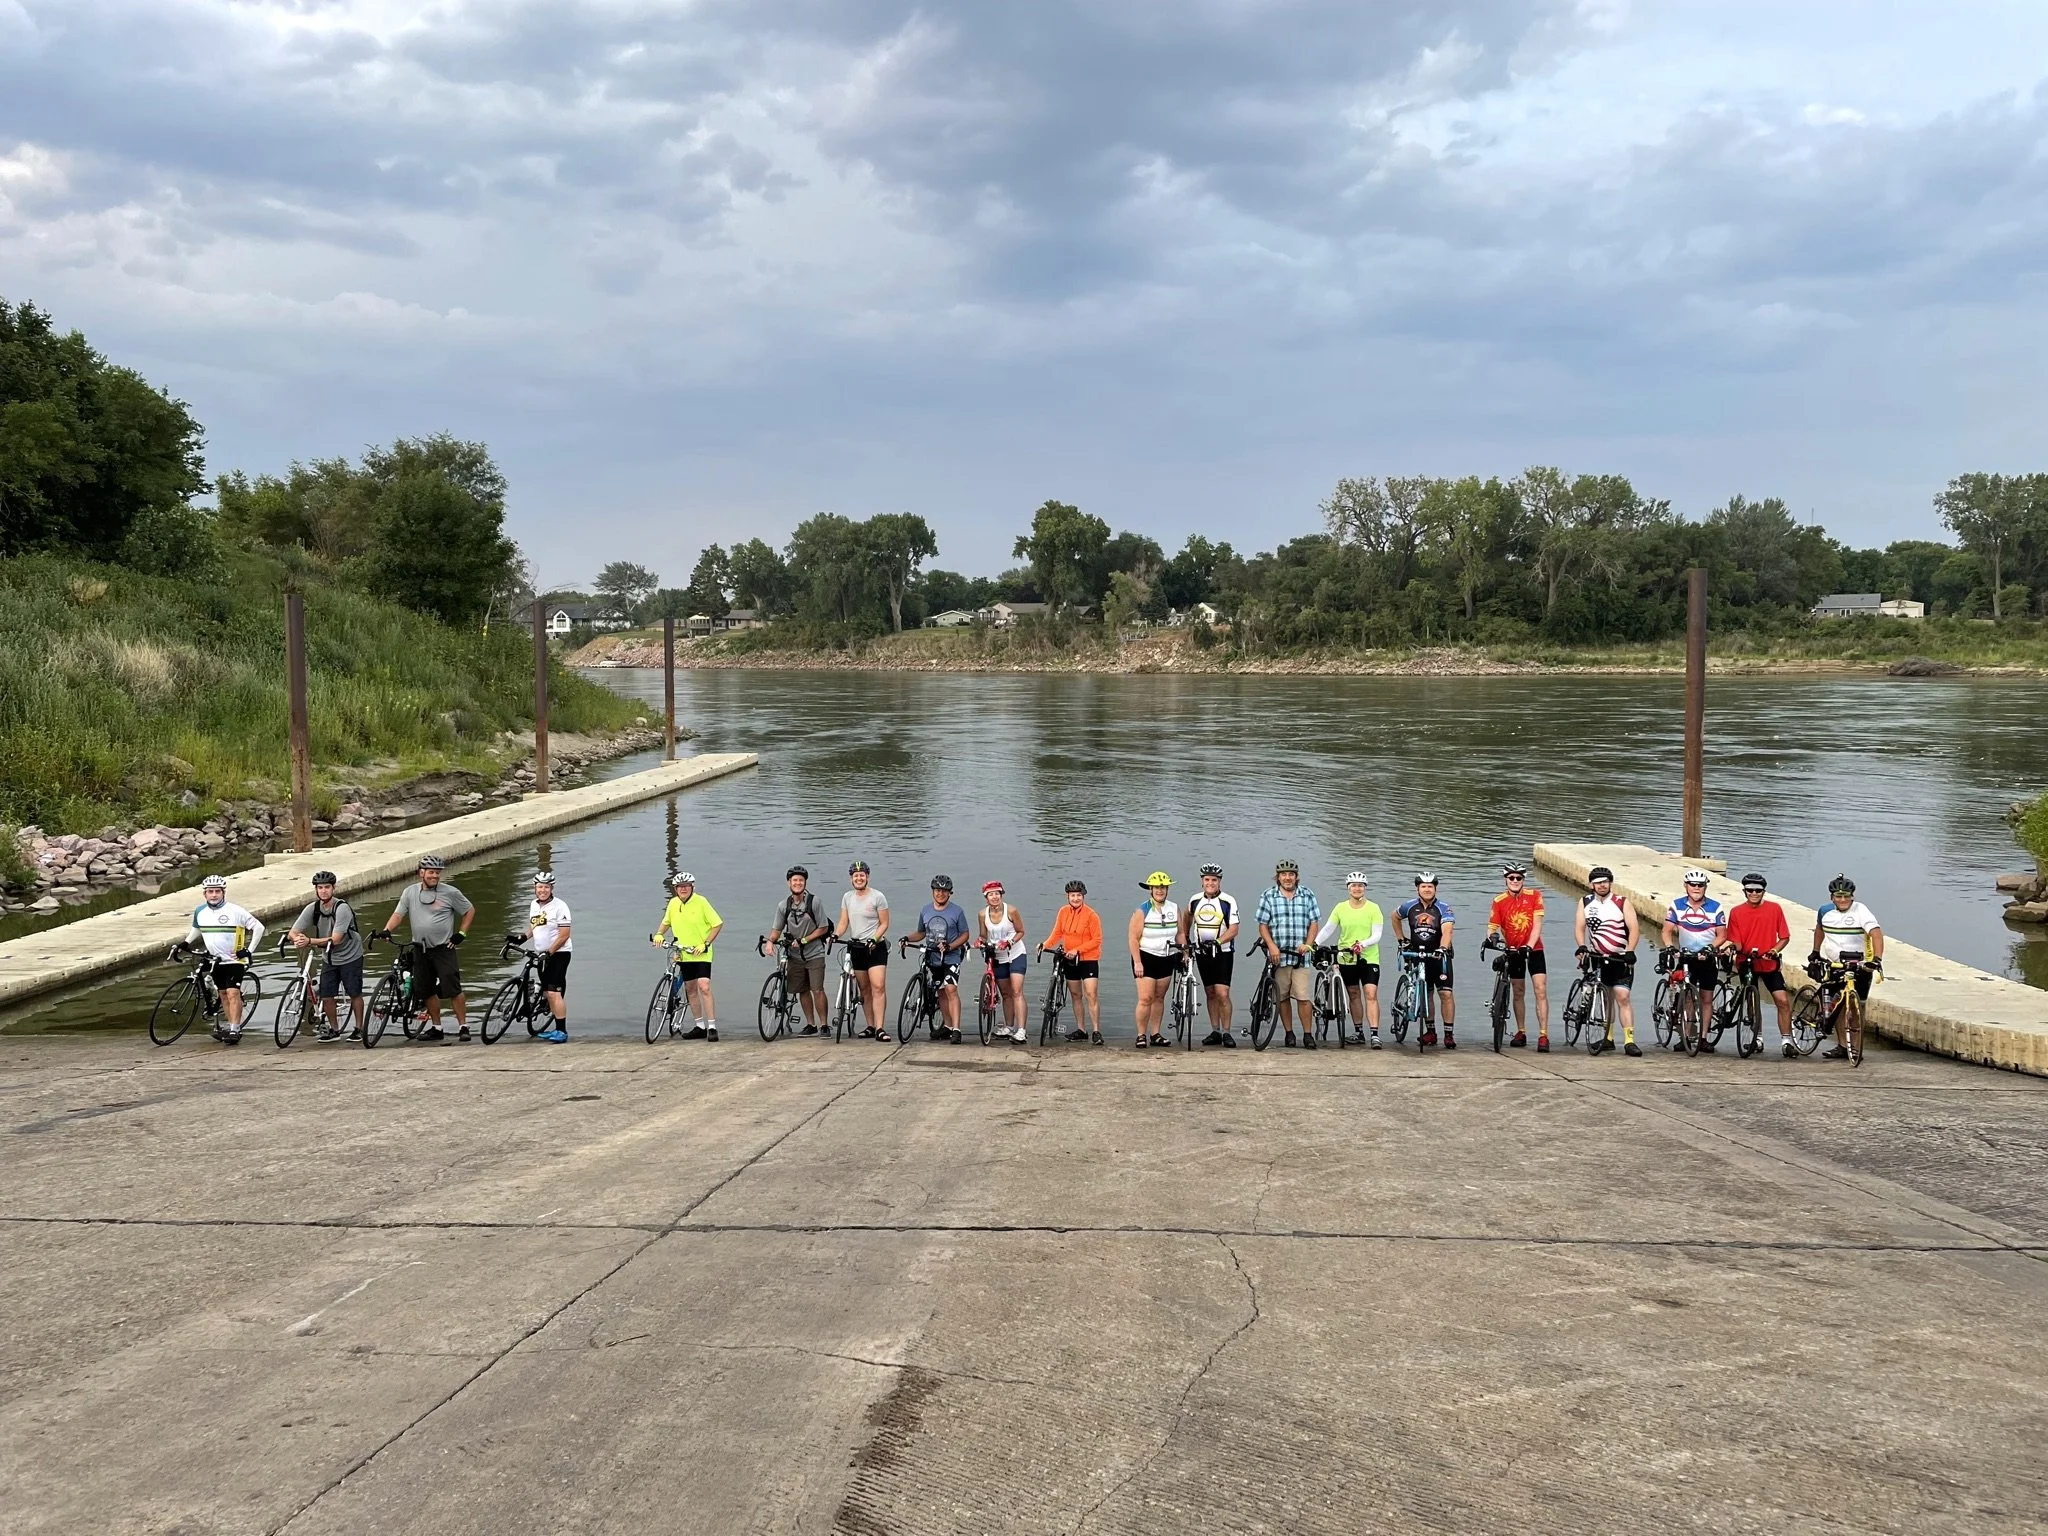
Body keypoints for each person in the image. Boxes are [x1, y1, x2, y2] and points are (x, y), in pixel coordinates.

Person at [381, 855, 474, 1042]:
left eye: (437, 873)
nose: (435, 876)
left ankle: (463, 1026)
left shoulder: (450, 892)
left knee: (453, 988)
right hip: (420, 949)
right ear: (421, 873)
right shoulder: (409, 892)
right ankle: (436, 1027)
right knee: (426, 989)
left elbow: (469, 910)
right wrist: (386, 930)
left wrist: (461, 934)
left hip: (444, 947)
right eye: (431, 872)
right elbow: (398, 914)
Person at [1721, 872, 1796, 1056]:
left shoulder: (1775, 909)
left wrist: (1774, 950)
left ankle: (1787, 1040)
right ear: (1744, 891)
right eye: (1750, 890)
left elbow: (1784, 937)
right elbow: (1736, 940)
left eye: (1758, 890)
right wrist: (1733, 948)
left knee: (1783, 1000)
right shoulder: (1737, 912)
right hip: (1746, 962)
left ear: (1764, 891)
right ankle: (1757, 1038)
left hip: (1768, 962)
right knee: (1752, 1000)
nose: (1754, 893)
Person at [1811, 875, 1883, 1063]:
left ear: (1853, 896)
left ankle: (1856, 1048)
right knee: (1836, 1006)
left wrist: (1876, 959)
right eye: (1838, 896)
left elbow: (1876, 934)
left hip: (1860, 966)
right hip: (1835, 964)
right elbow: (1819, 929)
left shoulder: (1861, 911)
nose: (1843, 900)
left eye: (1846, 896)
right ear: (1831, 897)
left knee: (1858, 1007)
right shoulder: (1825, 911)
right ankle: (1843, 1046)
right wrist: (1815, 952)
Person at [185, 873, 264, 1044]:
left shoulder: (235, 911)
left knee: (232, 992)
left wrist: (248, 951)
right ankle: (230, 1026)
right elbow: (197, 929)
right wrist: (185, 943)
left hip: (235, 960)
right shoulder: (200, 911)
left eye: (217, 892)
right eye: (210, 891)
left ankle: (235, 1030)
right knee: (223, 994)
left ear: (223, 893)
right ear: (204, 894)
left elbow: (259, 927)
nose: (214, 895)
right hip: (216, 960)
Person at [1574, 865, 1641, 1057]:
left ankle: (1629, 1041)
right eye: (1597, 883)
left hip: (1620, 958)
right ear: (1591, 885)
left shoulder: (1622, 902)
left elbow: (1634, 927)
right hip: (1597, 958)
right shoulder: (1585, 902)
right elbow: (1580, 927)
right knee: (1606, 999)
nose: (1601, 885)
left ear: (1610, 883)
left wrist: (1630, 950)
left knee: (1623, 997)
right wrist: (1581, 946)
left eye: (1605, 882)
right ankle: (1608, 1039)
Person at [1255, 860, 1322, 1049]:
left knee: (1302, 996)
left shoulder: (1307, 894)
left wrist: (1308, 945)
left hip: (1301, 957)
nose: (1287, 878)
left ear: (1296, 876)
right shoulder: (1268, 896)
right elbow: (1262, 925)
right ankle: (1289, 1033)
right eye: (1283, 874)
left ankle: (1308, 1035)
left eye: (1291, 874)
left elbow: (1314, 923)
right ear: (1278, 877)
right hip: (1279, 955)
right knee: (1282, 996)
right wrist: (1271, 946)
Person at [289, 871, 362, 1042]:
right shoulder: (313, 908)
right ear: (316, 890)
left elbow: (336, 939)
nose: (323, 891)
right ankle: (334, 1030)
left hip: (350, 955)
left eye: (327, 887)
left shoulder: (342, 908)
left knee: (354, 993)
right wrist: (297, 939)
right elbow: (293, 931)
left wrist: (308, 941)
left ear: (334, 888)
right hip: (329, 957)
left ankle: (359, 1028)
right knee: (327, 995)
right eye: (320, 888)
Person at [1661, 868, 1727, 1051]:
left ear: (1705, 887)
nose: (1696, 888)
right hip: (1686, 957)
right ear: (1686, 886)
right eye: (1693, 885)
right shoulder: (1676, 905)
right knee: (1688, 998)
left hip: (1707, 958)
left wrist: (1710, 948)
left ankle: (1703, 1038)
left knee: (1707, 999)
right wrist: (1669, 947)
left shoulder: (1716, 907)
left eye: (1700, 885)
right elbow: (1667, 930)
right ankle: (1686, 1036)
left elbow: (1722, 935)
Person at [1315, 872, 1383, 1048]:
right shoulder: (1340, 908)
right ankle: (1359, 1032)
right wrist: (1314, 943)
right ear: (1348, 888)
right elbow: (1329, 929)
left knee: (1371, 994)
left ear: (1365, 888)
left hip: (1368, 958)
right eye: (1353, 885)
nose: (1357, 888)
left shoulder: (1373, 908)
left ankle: (1375, 1034)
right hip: (1346, 957)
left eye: (1360, 885)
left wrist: (1363, 944)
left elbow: (1377, 934)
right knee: (1353, 994)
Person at [653, 870, 722, 1040]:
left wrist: (705, 943)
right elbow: (666, 922)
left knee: (704, 986)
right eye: (679, 887)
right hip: (683, 953)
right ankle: (700, 1026)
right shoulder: (673, 903)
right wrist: (659, 934)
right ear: (675, 889)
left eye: (686, 886)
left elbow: (717, 924)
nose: (683, 889)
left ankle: (712, 1027)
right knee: (690, 989)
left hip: (701, 952)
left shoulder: (701, 902)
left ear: (692, 887)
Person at [1485, 863, 1548, 1051]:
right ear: (1506, 880)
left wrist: (1529, 945)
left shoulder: (1534, 895)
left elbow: (1537, 924)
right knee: (1518, 990)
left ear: (1523, 880)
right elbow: (1492, 926)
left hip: (1534, 949)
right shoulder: (1499, 901)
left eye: (1518, 878)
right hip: (1513, 950)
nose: (1514, 881)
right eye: (1511, 878)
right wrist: (1492, 937)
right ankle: (1521, 1031)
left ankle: (1543, 1035)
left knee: (1540, 990)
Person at [1393, 872, 1457, 1049]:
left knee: (1445, 993)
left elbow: (1447, 931)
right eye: (1423, 886)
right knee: (1427, 992)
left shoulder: (1444, 908)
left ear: (1435, 888)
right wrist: (1401, 939)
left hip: (1438, 955)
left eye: (1430, 886)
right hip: (1418, 955)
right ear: (1417, 889)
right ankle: (1430, 1032)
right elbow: (1394, 916)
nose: (1427, 889)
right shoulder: (1409, 906)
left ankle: (1449, 1034)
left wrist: (1443, 948)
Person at [1180, 863, 1241, 1047]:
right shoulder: (1195, 900)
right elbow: (1187, 917)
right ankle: (1215, 1030)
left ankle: (1227, 1032)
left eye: (1214, 880)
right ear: (1202, 881)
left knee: (1222, 993)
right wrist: (1186, 941)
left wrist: (1218, 942)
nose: (1210, 883)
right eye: (1207, 880)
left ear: (1219, 881)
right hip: (1201, 952)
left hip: (1222, 952)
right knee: (1210, 992)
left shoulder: (1228, 901)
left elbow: (1234, 929)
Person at [767, 866, 832, 1036]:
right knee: (802, 989)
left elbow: (823, 927)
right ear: (789, 883)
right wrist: (769, 942)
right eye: (794, 880)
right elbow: (777, 929)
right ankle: (810, 1025)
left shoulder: (814, 902)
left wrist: (804, 940)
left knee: (817, 989)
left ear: (805, 883)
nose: (797, 883)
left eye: (801, 880)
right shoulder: (783, 905)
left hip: (814, 952)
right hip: (794, 955)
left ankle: (824, 1025)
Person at [835, 861, 892, 1042]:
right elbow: (844, 922)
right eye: (855, 875)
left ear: (867, 876)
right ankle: (870, 1025)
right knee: (864, 989)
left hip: (875, 947)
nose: (859, 878)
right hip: (857, 947)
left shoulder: (878, 897)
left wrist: (874, 938)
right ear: (851, 879)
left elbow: (884, 923)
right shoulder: (847, 897)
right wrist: (835, 935)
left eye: (862, 875)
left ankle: (880, 1028)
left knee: (878, 987)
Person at [1043, 879, 1104, 1045]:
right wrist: (1045, 945)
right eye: (1072, 895)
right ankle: (1081, 1030)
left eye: (1078, 895)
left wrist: (1078, 949)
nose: (1076, 898)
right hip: (1070, 960)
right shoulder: (1063, 912)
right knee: (1076, 995)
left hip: (1088, 959)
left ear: (1083, 896)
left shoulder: (1092, 915)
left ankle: (1096, 1031)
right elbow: (1057, 933)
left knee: (1091, 994)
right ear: (1067, 896)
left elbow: (1097, 940)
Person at [913, 875, 972, 1042]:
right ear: (933, 891)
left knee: (951, 989)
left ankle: (957, 1029)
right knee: (940, 992)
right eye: (938, 890)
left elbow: (965, 934)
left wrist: (951, 946)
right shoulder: (925, 910)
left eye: (944, 891)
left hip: (952, 957)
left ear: (949, 893)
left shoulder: (957, 911)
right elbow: (921, 933)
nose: (940, 894)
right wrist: (906, 939)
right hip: (933, 958)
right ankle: (947, 1026)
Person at [1129, 872, 1179, 1049]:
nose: (1160, 890)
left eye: (1163, 887)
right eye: (1157, 887)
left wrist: (1185, 952)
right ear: (1150, 889)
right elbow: (1133, 938)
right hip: (1146, 957)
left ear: (1167, 889)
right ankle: (1141, 1034)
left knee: (1159, 997)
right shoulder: (1142, 910)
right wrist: (1137, 962)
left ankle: (1155, 1034)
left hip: (1167, 956)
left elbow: (1180, 933)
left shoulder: (1174, 908)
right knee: (1146, 998)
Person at [978, 881, 1030, 1044]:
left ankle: (1021, 1030)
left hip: (1015, 953)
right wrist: (979, 941)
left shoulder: (1011, 910)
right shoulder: (982, 914)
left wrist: (1009, 942)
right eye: (990, 894)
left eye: (997, 894)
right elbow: (983, 935)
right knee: (1006, 993)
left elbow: (1021, 931)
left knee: (1016, 991)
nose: (994, 897)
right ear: (986, 898)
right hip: (997, 956)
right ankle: (1009, 1026)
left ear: (1001, 895)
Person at [527, 872, 573, 1043]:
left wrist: (549, 952)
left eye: (546, 887)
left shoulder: (560, 907)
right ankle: (552, 1025)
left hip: (559, 954)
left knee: (553, 992)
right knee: (547, 992)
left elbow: (564, 935)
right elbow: (536, 925)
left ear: (551, 888)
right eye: (539, 887)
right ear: (535, 888)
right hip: (543, 955)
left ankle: (562, 1032)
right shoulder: (534, 905)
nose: (542, 890)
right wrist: (523, 937)